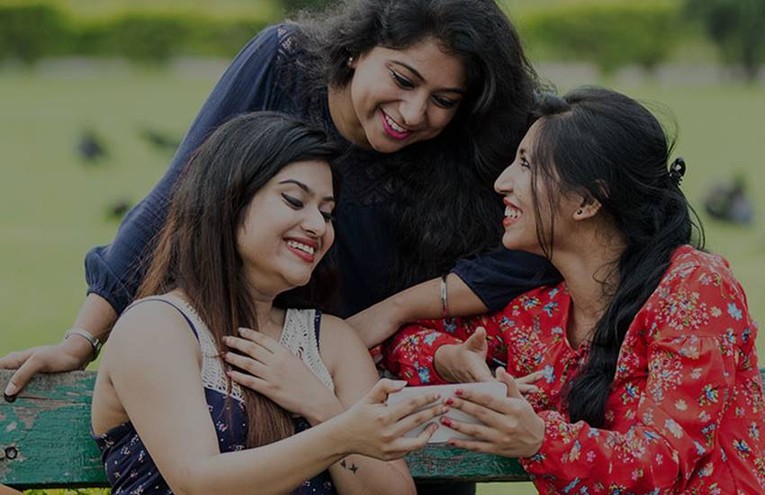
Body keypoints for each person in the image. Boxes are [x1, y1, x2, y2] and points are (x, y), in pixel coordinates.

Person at [2, 0, 557, 394]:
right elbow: (177, 201)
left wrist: (393, 312)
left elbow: (537, 249)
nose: (414, 114)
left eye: (444, 99)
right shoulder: (283, 65)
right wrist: (81, 340)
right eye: (403, 79)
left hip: (402, 379)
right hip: (260, 372)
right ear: (357, 51)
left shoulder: (474, 135)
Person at [383, 87, 765, 492]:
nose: (501, 182)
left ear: (586, 200)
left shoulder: (694, 288)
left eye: (526, 165)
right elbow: (402, 342)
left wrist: (538, 439)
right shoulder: (540, 314)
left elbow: (662, 462)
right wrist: (449, 359)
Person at [90, 111, 446, 494]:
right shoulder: (157, 327)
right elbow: (197, 482)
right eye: (294, 200)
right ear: (230, 199)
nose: (318, 226)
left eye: (327, 213)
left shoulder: (332, 342)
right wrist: (341, 434)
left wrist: (320, 405)